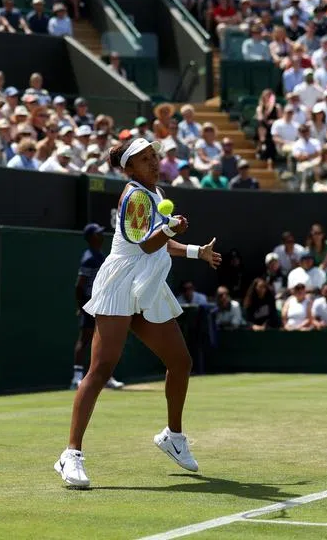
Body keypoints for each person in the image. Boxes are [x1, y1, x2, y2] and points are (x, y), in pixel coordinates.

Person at [58, 138, 221, 489]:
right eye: (144, 159)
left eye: (154, 156)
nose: (153, 162)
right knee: (101, 369)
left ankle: (173, 437)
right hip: (120, 284)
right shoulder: (133, 195)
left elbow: (158, 242)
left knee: (180, 362)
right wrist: (170, 228)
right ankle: (70, 454)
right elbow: (147, 242)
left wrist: (196, 251)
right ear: (129, 169)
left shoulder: (154, 192)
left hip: (147, 283)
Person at [70, 223, 125, 392]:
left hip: (102, 303)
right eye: (98, 234)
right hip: (91, 304)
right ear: (91, 237)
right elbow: (79, 285)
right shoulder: (89, 258)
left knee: (105, 342)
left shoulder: (99, 255)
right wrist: (82, 306)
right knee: (85, 339)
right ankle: (77, 378)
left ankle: (106, 377)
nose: (101, 236)